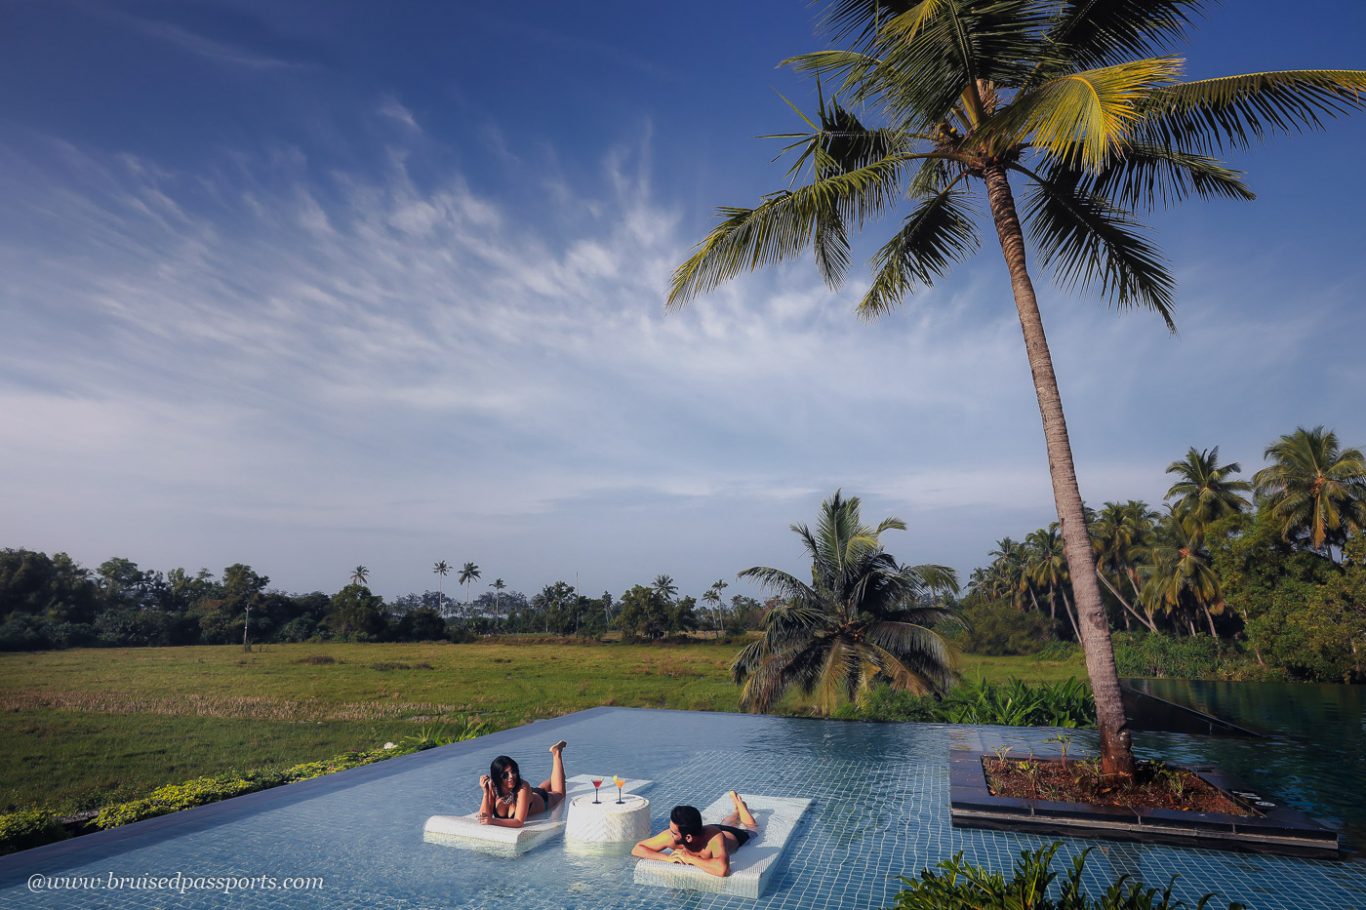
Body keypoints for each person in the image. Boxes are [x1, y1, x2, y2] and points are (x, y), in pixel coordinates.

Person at [631, 791, 759, 878]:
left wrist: (690, 858)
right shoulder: (671, 837)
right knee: (726, 822)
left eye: (674, 832)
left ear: (688, 838)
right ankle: (736, 811)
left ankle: (741, 805)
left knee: (752, 827)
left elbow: (722, 870)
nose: (670, 834)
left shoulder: (713, 840)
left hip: (735, 836)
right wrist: (666, 858)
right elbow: (637, 849)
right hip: (708, 829)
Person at [477, 740, 568, 827]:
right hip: (529, 793)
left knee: (559, 794)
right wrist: (485, 793)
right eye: (505, 775)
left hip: (543, 800)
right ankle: (558, 778)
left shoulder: (523, 787)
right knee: (540, 788)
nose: (511, 776)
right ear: (497, 778)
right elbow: (484, 817)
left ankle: (556, 753)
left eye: (513, 772)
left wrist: (492, 821)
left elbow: (519, 822)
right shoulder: (492, 788)